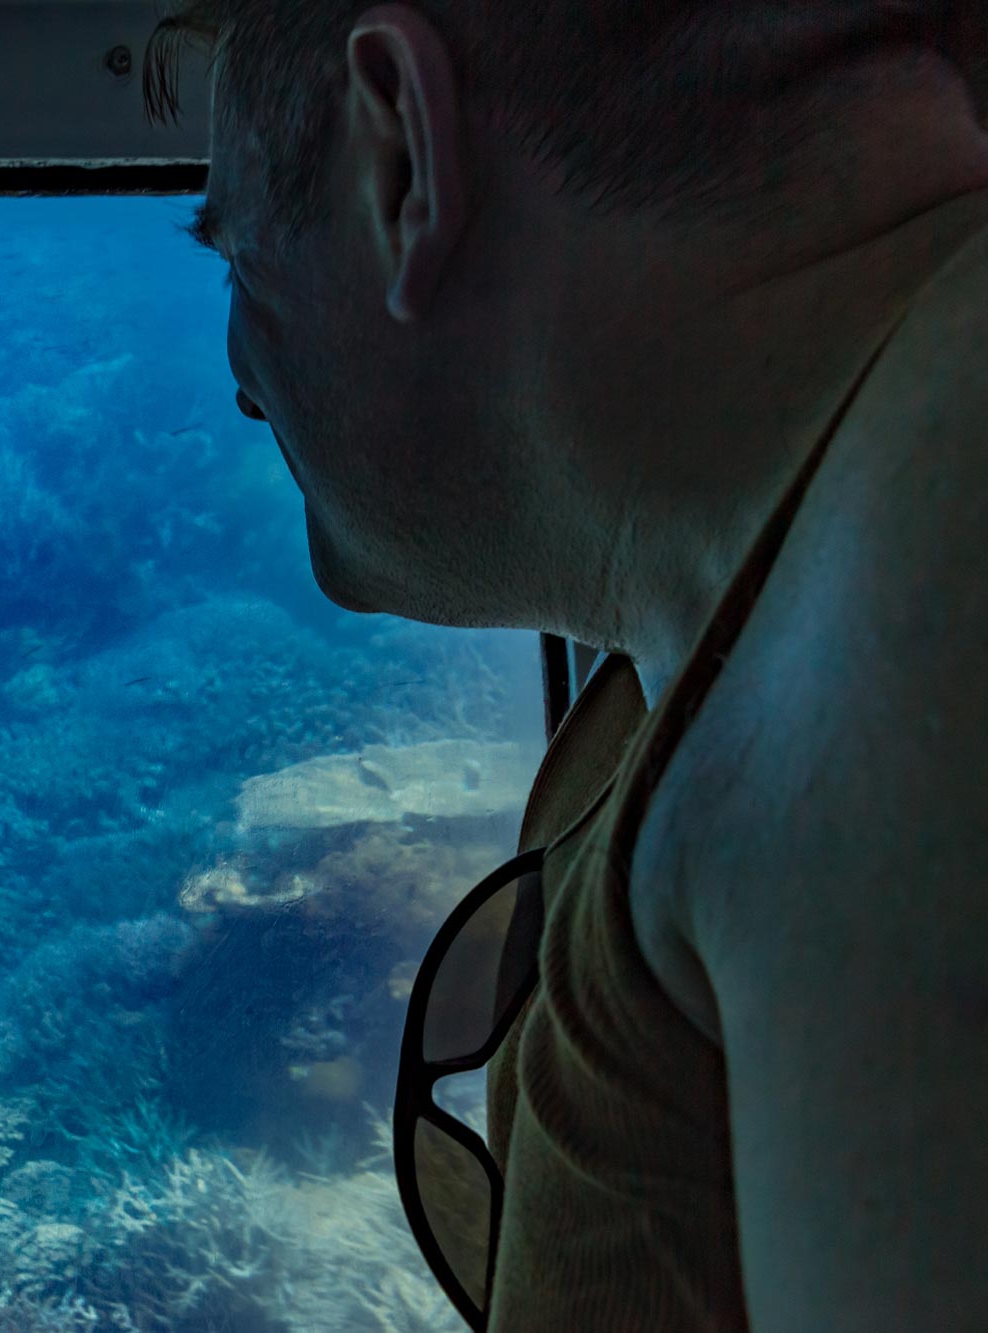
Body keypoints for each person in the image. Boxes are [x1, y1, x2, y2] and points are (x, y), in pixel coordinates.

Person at [140, 3, 988, 1329]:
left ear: (403, 161)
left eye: (244, 260)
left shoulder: (921, 600)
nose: (246, 379)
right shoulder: (791, 583)